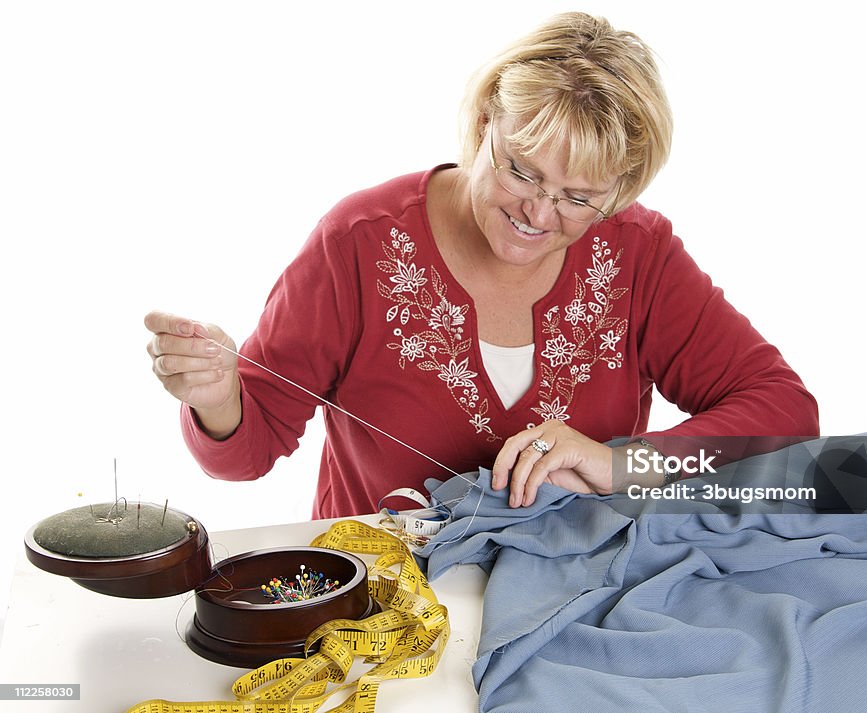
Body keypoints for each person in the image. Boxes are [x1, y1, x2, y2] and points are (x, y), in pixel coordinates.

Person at [144, 12, 818, 519]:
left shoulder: (637, 251)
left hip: (574, 607)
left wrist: (623, 466)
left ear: (620, 189)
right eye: (521, 169)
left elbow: (784, 412)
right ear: (485, 119)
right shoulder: (358, 242)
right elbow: (248, 448)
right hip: (384, 615)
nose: (538, 212)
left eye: (578, 197)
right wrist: (219, 398)